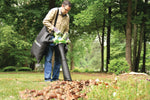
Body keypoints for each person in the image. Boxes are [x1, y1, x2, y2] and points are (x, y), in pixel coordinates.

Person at [43, 0, 72, 81]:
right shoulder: (54, 11)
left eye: (68, 10)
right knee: (48, 58)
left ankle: (55, 78)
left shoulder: (67, 16)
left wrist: (66, 37)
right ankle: (47, 78)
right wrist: (55, 29)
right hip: (51, 37)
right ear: (62, 6)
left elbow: (66, 29)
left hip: (60, 40)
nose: (66, 12)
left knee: (58, 59)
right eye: (65, 10)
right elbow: (45, 21)